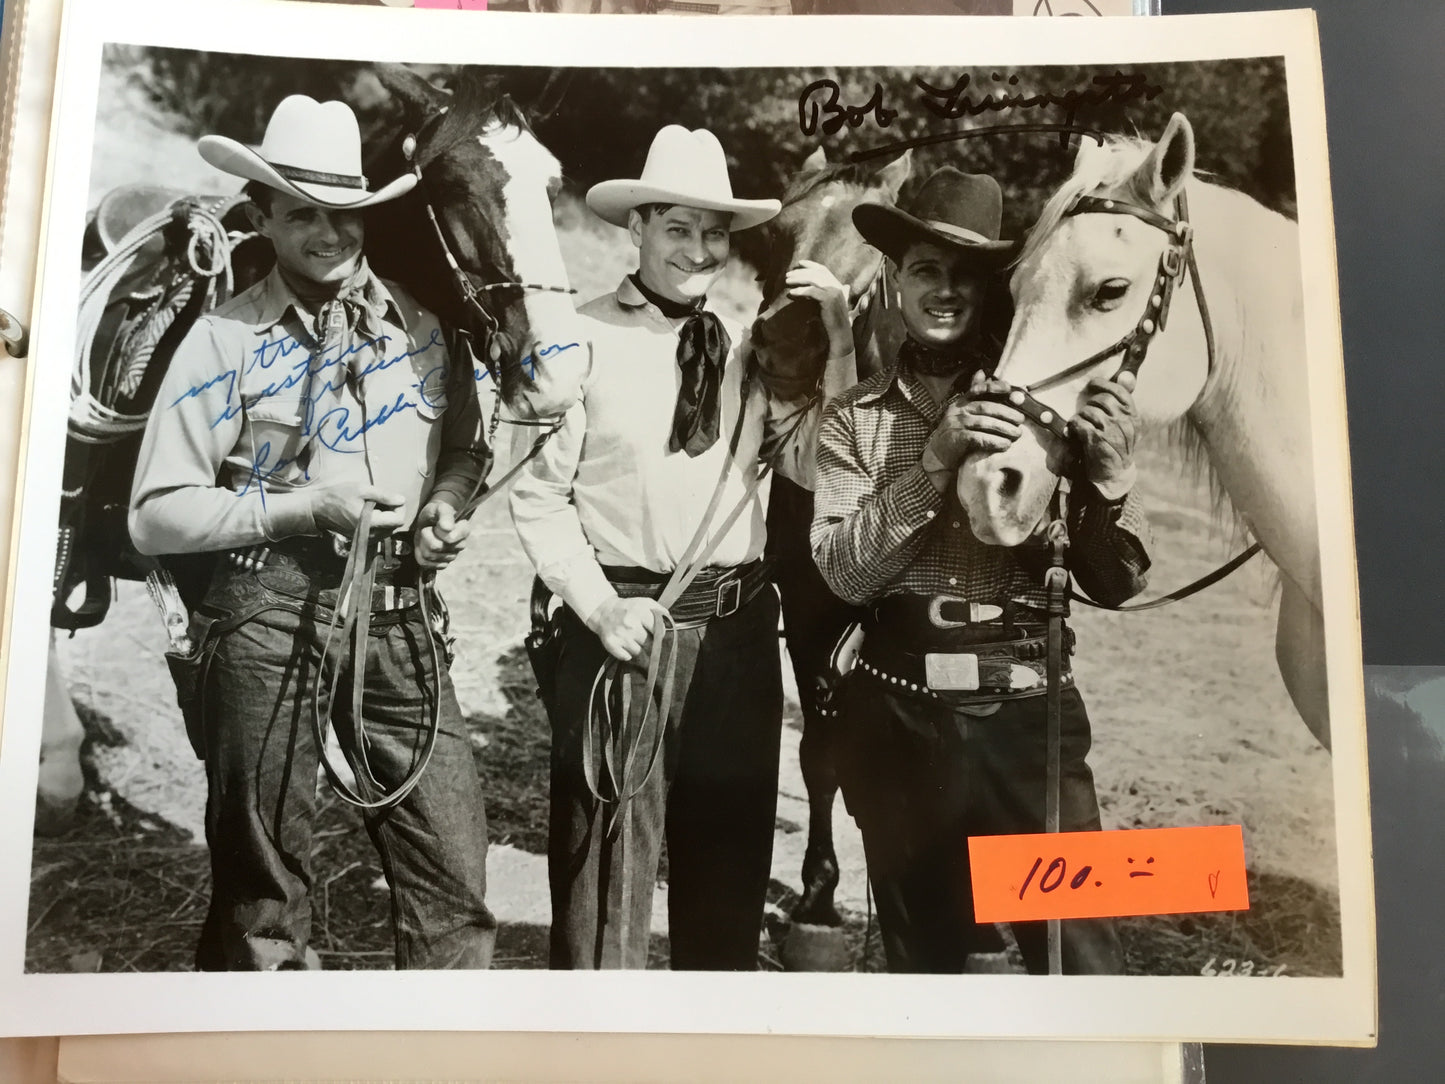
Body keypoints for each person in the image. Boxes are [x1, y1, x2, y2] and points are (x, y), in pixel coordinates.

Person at [129, 95, 497, 971]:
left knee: (454, 877)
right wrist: (300, 507)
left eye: (346, 214)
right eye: (303, 215)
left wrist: (446, 506)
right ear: (262, 217)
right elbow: (154, 516)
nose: (330, 234)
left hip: (401, 615)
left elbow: (464, 447)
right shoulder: (222, 342)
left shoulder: (419, 325)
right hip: (264, 610)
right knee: (264, 896)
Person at [510, 125, 856, 970]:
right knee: (607, 888)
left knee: (728, 877)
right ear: (637, 230)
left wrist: (841, 341)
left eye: (713, 233)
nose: (697, 250)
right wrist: (597, 607)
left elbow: (823, 460)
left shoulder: (754, 342)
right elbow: (537, 495)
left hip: (738, 640)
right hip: (623, 632)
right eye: (676, 229)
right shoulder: (578, 339)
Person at [810, 167, 1151, 974]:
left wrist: (1110, 482)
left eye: (968, 275)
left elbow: (1118, 581)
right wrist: (930, 465)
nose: (946, 292)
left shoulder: (1051, 414)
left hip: (1027, 723)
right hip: (898, 721)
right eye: (927, 269)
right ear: (894, 281)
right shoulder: (853, 419)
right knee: (921, 964)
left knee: (1079, 962)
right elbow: (842, 575)